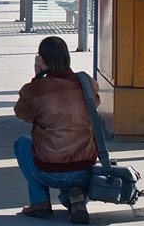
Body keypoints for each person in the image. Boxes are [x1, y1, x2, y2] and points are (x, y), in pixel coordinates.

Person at [14, 36, 99, 224]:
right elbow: (96, 105)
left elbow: (21, 113)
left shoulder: (36, 90)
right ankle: (75, 199)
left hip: (51, 172)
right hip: (86, 171)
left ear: (42, 60)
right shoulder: (86, 83)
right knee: (74, 183)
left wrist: (37, 77)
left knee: (22, 144)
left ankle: (40, 202)